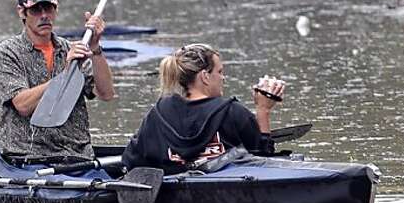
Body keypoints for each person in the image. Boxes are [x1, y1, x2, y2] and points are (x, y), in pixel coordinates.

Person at [0, 0, 114, 163]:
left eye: (48, 8)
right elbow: (23, 105)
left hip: (76, 153)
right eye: (35, 9)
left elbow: (106, 94)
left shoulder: (70, 49)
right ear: (22, 12)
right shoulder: (6, 53)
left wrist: (96, 49)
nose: (43, 15)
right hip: (28, 155)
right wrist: (65, 74)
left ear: (55, 10)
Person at [121, 43, 285, 173]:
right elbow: (262, 160)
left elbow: (131, 161)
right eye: (220, 72)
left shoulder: (157, 114)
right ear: (205, 76)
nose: (223, 78)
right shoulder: (233, 112)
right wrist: (263, 111)